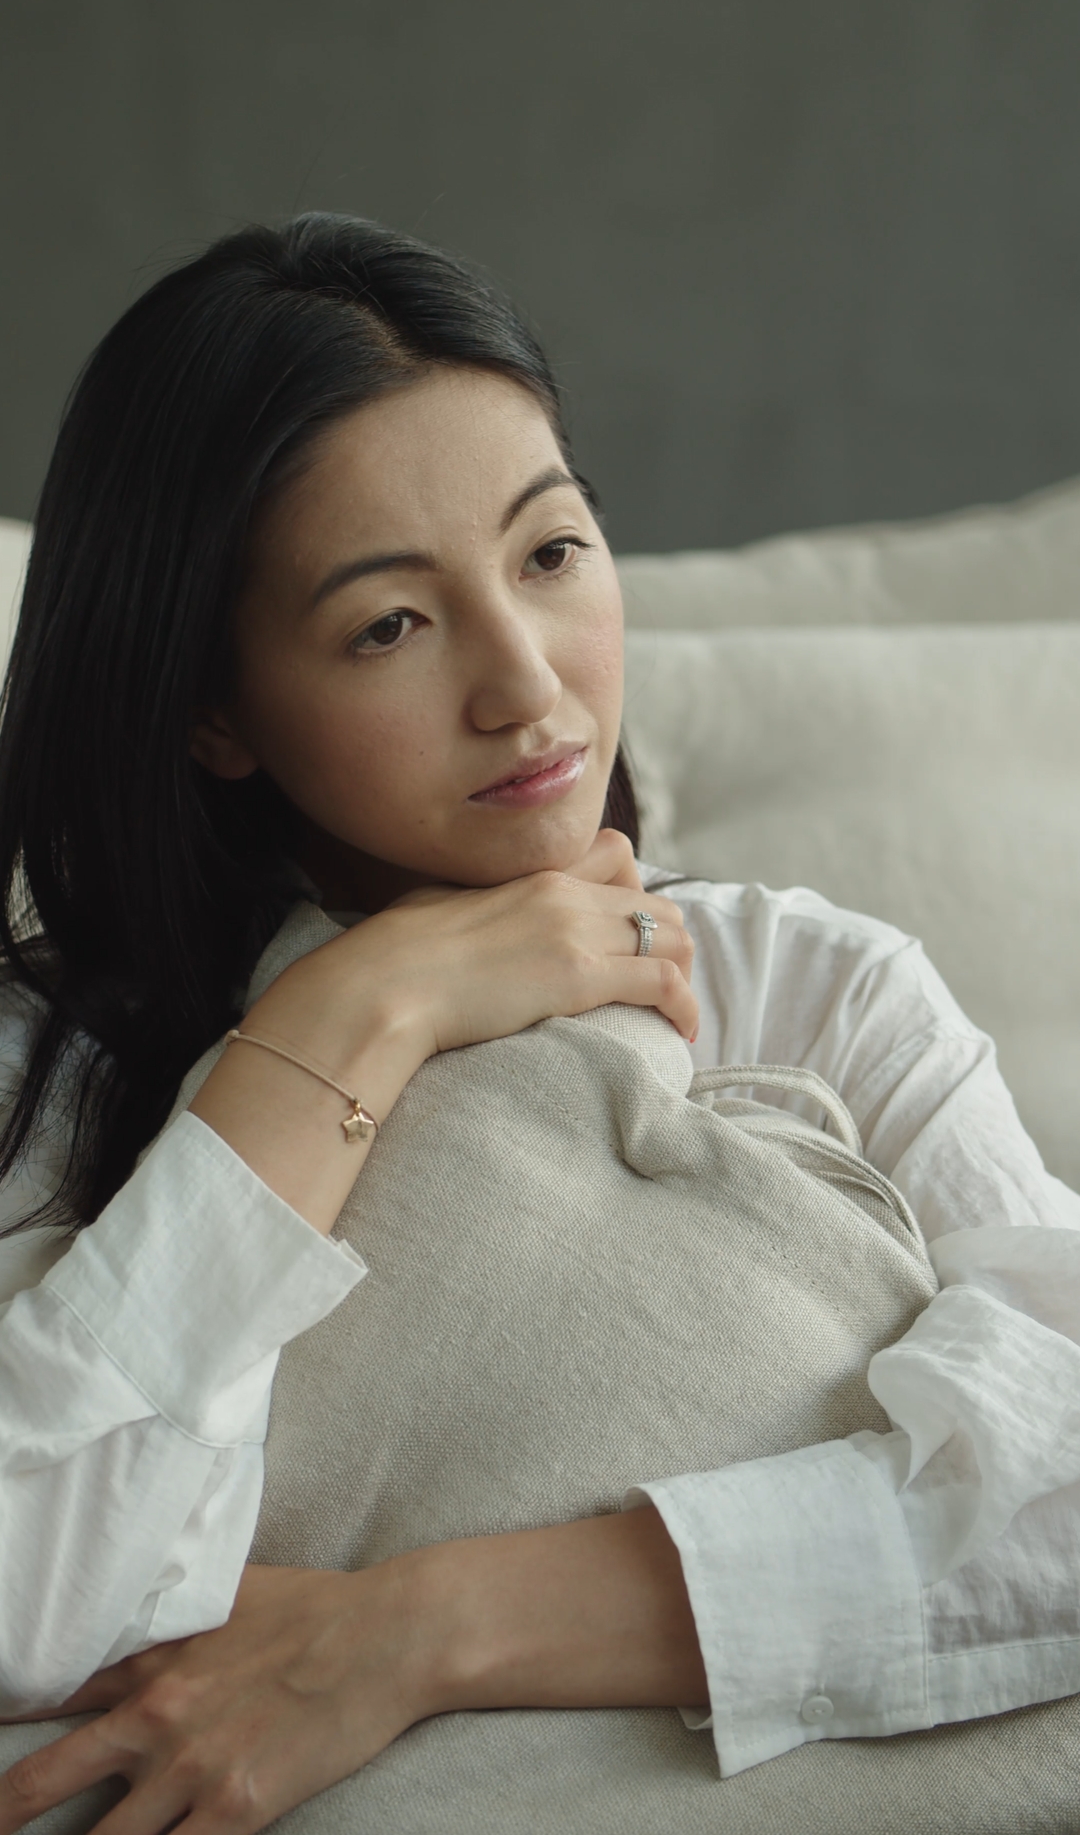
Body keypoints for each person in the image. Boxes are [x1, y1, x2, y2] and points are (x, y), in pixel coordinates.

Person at [0, 215, 1077, 1835]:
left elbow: (1061, 1478)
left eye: (552, 551)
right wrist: (371, 1005)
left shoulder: (811, 983)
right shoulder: (51, 1078)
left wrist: (408, 1637)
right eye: (390, 624)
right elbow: (32, 1599)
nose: (527, 687)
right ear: (214, 707)